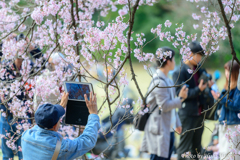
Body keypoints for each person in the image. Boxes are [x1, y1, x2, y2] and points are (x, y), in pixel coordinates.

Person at [140, 47, 188, 160]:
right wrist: (181, 98)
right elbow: (165, 106)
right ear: (167, 61)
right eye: (174, 59)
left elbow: (172, 106)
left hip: (168, 129)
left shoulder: (168, 80)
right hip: (159, 131)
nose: (175, 62)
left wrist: (177, 122)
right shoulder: (159, 81)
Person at [21, 92, 100, 159]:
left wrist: (60, 107)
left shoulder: (26, 136)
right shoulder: (60, 148)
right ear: (55, 126)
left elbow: (42, 121)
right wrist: (93, 114)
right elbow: (88, 141)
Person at [172, 41, 214, 160]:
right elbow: (180, 94)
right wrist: (198, 89)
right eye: (198, 55)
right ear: (190, 54)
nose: (200, 59)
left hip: (199, 113)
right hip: (187, 114)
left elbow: (207, 76)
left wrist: (208, 81)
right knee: (184, 147)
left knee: (197, 148)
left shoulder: (198, 68)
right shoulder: (179, 71)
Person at [211, 60, 240, 159]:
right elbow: (222, 105)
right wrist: (217, 98)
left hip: (233, 125)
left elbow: (236, 105)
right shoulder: (226, 86)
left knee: (232, 154)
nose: (227, 74)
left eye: (229, 71)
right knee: (224, 153)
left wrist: (220, 99)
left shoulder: (238, 89)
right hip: (224, 124)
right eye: (226, 71)